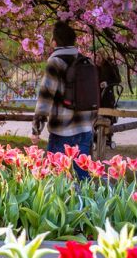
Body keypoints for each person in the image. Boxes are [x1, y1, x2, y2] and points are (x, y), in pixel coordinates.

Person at [30, 21, 95, 168]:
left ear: (55, 42)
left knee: (55, 177)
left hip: (62, 130)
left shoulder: (55, 62)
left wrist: (36, 129)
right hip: (85, 128)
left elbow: (45, 98)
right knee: (83, 178)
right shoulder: (86, 61)